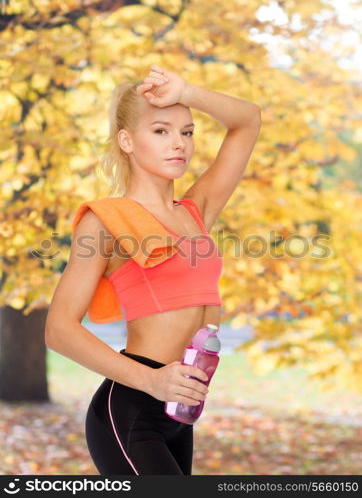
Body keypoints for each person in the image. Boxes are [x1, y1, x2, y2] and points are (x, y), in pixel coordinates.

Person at [45, 64, 261, 475]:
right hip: (132, 408)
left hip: (181, 411)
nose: (178, 144)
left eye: (187, 132)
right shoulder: (107, 221)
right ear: (127, 140)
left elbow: (248, 120)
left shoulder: (196, 213)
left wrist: (187, 91)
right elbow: (59, 330)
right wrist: (151, 382)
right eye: (160, 131)